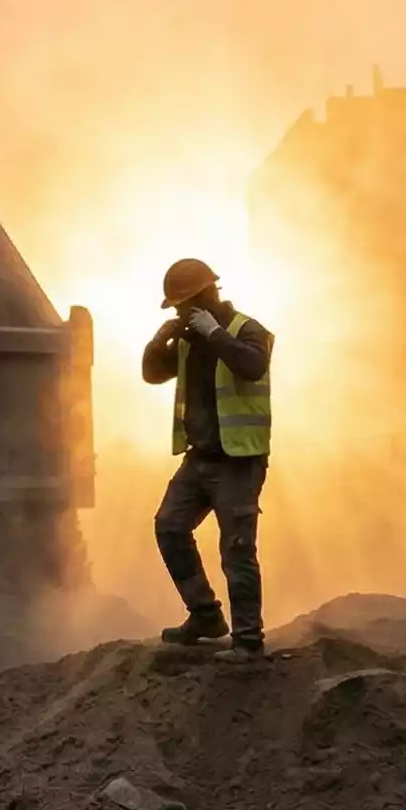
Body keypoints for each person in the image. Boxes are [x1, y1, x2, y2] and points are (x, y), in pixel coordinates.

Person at [140, 257, 273, 654]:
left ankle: (248, 641)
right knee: (170, 527)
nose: (179, 313)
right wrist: (159, 341)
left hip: (239, 461)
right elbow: (153, 373)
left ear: (204, 296)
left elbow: (252, 365)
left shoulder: (246, 330)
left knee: (236, 549)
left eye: (182, 305)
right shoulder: (189, 338)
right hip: (199, 458)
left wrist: (214, 333)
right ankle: (205, 616)